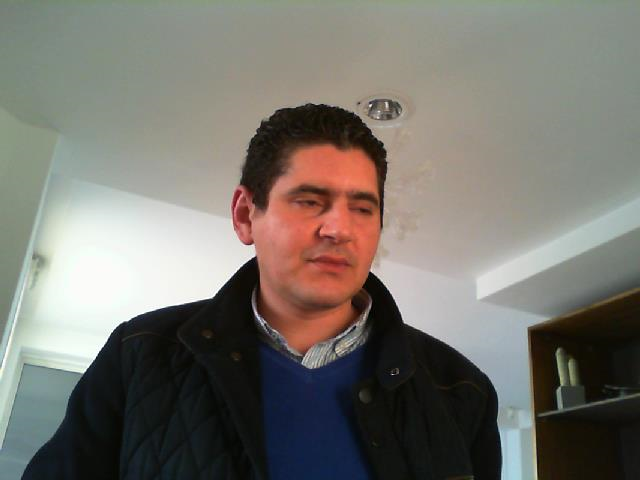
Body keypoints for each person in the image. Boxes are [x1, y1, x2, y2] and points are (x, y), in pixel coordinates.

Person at [23, 104, 501, 480]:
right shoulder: (140, 356)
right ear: (244, 215)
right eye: (310, 201)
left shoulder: (460, 389)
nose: (339, 229)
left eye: (362, 208)